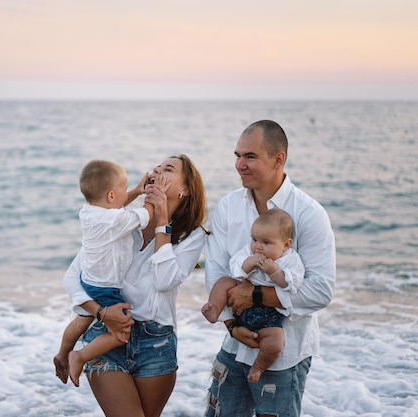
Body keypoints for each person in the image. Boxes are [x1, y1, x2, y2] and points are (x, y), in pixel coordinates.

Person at [204, 120, 336, 417]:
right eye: (237, 155)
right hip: (234, 343)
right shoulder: (228, 207)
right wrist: (230, 325)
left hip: (284, 354)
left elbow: (321, 291)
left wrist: (257, 295)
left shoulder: (309, 213)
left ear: (279, 159)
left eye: (250, 156)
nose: (239, 164)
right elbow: (215, 270)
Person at [63, 154, 207, 417]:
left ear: (185, 189)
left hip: (156, 344)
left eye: (168, 169)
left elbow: (164, 281)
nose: (157, 170)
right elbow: (73, 278)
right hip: (105, 334)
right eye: (157, 166)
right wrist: (101, 313)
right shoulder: (121, 222)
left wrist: (162, 221)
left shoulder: (192, 236)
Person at [53, 159, 155, 387]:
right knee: (122, 332)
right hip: (105, 287)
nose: (125, 192)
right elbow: (143, 216)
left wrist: (137, 191)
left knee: (81, 321)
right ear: (110, 196)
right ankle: (79, 356)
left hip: (89, 281)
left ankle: (62, 352)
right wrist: (153, 200)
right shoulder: (114, 220)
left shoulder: (90, 212)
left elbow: (116, 205)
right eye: (123, 187)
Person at [201, 208, 305, 383]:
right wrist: (249, 263)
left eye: (266, 242)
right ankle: (214, 309)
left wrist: (274, 272)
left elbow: (292, 284)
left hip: (269, 313)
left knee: (275, 344)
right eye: (254, 239)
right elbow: (235, 269)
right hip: (238, 304)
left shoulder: (291, 260)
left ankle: (258, 367)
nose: (258, 246)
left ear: (286, 245)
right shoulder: (249, 253)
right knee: (224, 282)